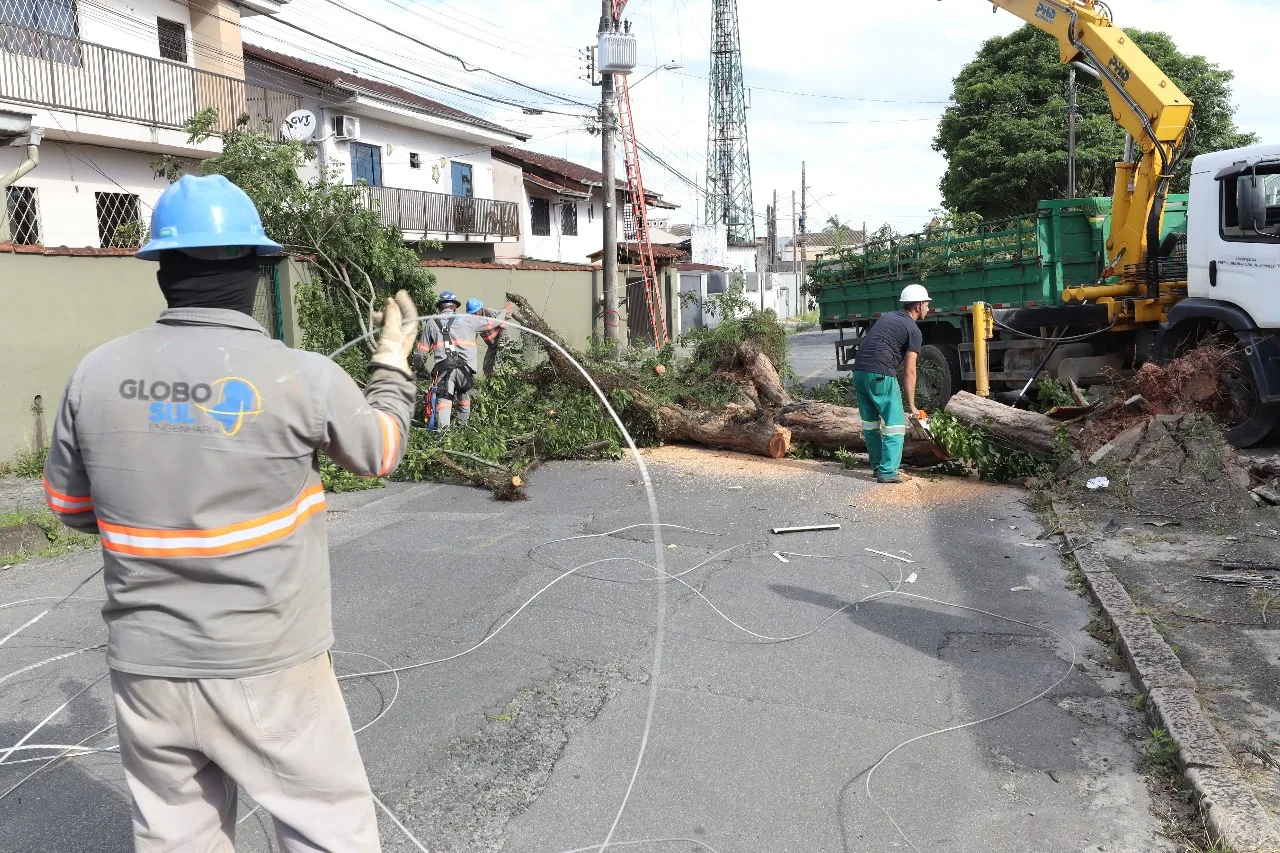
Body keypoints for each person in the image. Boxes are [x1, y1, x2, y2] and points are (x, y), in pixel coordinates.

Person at [42, 174, 419, 852]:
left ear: (164, 271)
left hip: (147, 667)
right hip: (269, 663)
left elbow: (70, 507)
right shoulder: (301, 375)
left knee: (177, 839)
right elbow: (380, 450)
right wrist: (390, 364)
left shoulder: (94, 374)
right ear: (254, 270)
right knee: (327, 831)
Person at [851, 284, 931, 484]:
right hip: (880, 374)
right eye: (927, 304)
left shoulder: (887, 317)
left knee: (871, 424)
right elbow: (910, 370)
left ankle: (878, 466)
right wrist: (912, 405)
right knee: (895, 424)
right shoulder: (913, 329)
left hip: (859, 372)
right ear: (918, 306)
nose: (929, 308)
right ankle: (888, 472)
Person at [415, 291, 509, 428]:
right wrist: (504, 311)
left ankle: (444, 434)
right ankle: (463, 429)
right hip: (465, 372)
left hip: (444, 371)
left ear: (439, 307)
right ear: (455, 307)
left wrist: (421, 370)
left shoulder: (431, 322)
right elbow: (492, 323)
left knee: (444, 399)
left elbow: (420, 354)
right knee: (463, 394)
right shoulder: (468, 319)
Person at [465, 297, 507, 377]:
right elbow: (474, 333)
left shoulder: (490, 313)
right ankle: (491, 381)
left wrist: (501, 342)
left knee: (501, 364)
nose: (473, 315)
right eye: (471, 314)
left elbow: (504, 326)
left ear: (480, 309)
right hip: (491, 346)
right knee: (487, 367)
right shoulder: (474, 320)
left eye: (474, 313)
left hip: (502, 342)